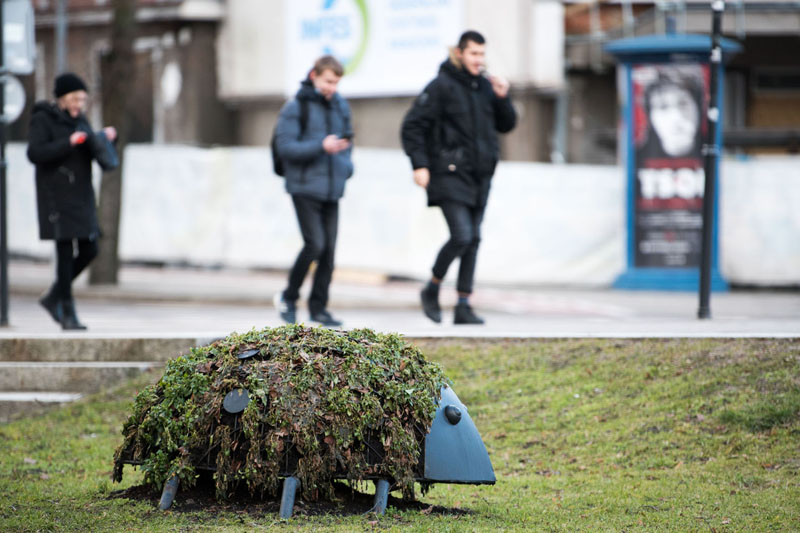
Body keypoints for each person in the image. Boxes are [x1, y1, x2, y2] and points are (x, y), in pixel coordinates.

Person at [401, 30, 516, 325]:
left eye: (482, 54)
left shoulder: (486, 87)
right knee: (462, 235)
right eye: (474, 53)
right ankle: (432, 288)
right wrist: (420, 165)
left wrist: (503, 98)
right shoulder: (441, 86)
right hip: (449, 172)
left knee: (473, 239)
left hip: (481, 174)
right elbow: (412, 126)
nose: (479, 59)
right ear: (460, 53)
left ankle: (463, 305)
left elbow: (507, 124)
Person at [27, 72, 117, 330]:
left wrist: (105, 138)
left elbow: (89, 146)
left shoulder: (81, 119)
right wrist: (68, 142)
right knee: (65, 254)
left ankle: (54, 295)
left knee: (91, 249)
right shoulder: (43, 118)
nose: (79, 105)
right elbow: (35, 153)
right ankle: (67, 311)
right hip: (56, 198)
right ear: (63, 98)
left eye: (82, 100)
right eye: (75, 99)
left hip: (81, 196)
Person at [272, 55, 353, 327]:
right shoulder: (296, 107)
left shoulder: (340, 106)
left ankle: (319, 309)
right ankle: (288, 297)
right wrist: (321, 146)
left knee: (329, 252)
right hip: (304, 186)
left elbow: (347, 140)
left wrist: (346, 167)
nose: (332, 87)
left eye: (336, 82)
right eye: (328, 81)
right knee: (314, 244)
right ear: (314, 75)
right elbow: (285, 147)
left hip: (332, 187)